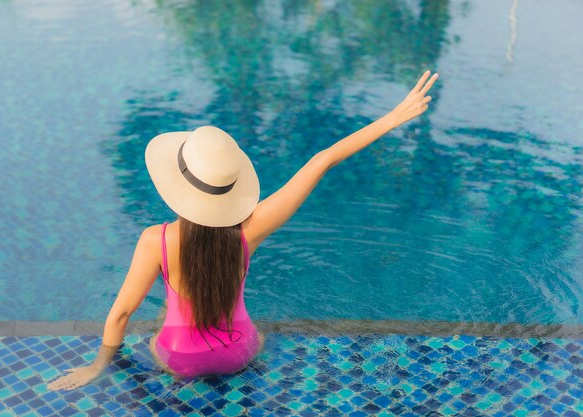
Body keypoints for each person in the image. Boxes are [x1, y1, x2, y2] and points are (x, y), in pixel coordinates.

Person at [47, 70, 438, 390]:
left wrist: (97, 367)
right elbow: (322, 161)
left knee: (157, 328)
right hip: (240, 354)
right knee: (252, 332)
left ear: (178, 186)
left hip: (179, 359)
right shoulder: (250, 231)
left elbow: (120, 315)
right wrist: (394, 116)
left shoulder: (156, 241)